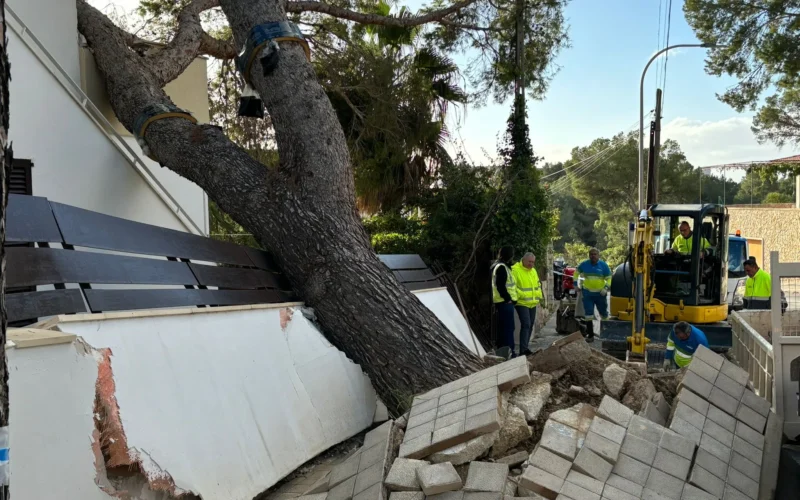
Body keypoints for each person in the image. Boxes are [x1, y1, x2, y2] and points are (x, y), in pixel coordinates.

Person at [576, 248, 611, 342]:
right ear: (589, 255)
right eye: (591, 254)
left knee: (604, 314)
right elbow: (576, 273)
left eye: (595, 254)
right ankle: (590, 335)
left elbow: (609, 278)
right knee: (588, 315)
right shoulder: (584, 264)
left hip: (600, 294)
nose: (593, 256)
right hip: (588, 295)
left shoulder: (603, 266)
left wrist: (606, 288)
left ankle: (606, 334)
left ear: (598, 255)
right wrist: (576, 285)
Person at [512, 252, 543, 356]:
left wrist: (539, 295)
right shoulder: (515, 270)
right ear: (523, 260)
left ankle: (525, 348)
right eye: (529, 261)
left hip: (532, 303)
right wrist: (523, 295)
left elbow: (538, 284)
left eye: (533, 262)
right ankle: (523, 350)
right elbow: (513, 287)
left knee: (529, 326)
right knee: (526, 324)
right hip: (522, 302)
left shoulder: (533, 271)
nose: (531, 264)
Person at [492, 246, 517, 357]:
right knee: (508, 328)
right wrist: (508, 299)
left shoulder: (500, 266)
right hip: (504, 302)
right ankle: (510, 352)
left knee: (504, 328)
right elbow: (500, 285)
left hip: (503, 302)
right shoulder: (502, 267)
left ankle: (504, 352)